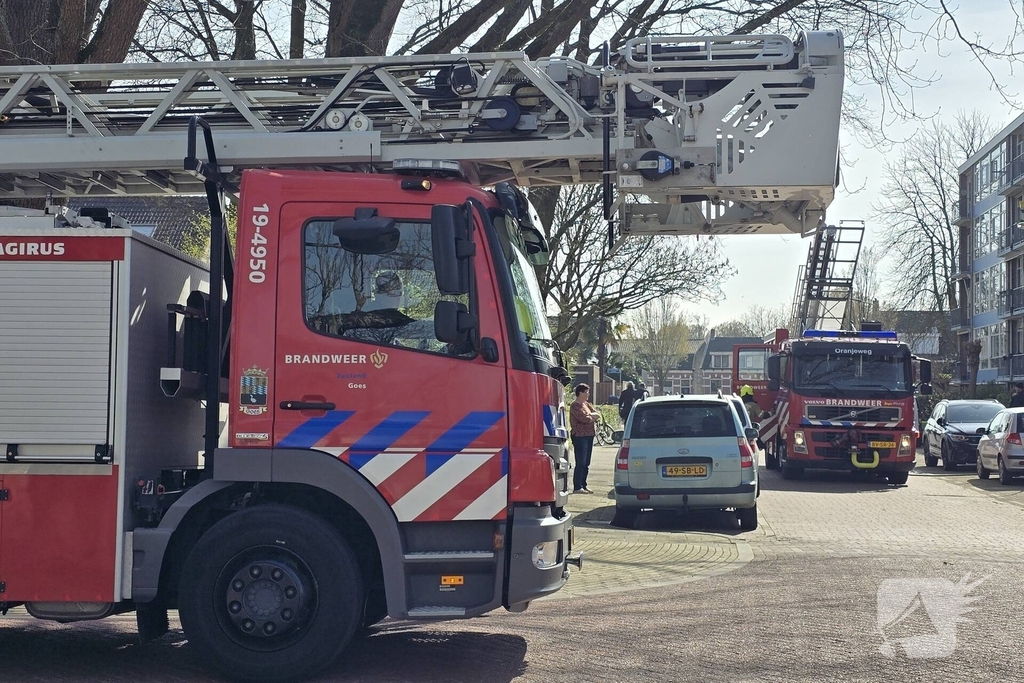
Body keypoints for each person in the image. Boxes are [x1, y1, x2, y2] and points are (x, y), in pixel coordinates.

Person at [570, 383, 600, 493]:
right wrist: (592, 417)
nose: (588, 394)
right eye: (586, 392)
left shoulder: (586, 404)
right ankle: (577, 486)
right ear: (580, 393)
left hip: (589, 435)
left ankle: (584, 484)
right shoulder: (575, 405)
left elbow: (597, 414)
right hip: (580, 436)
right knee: (581, 462)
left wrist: (592, 416)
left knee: (586, 462)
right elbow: (584, 418)